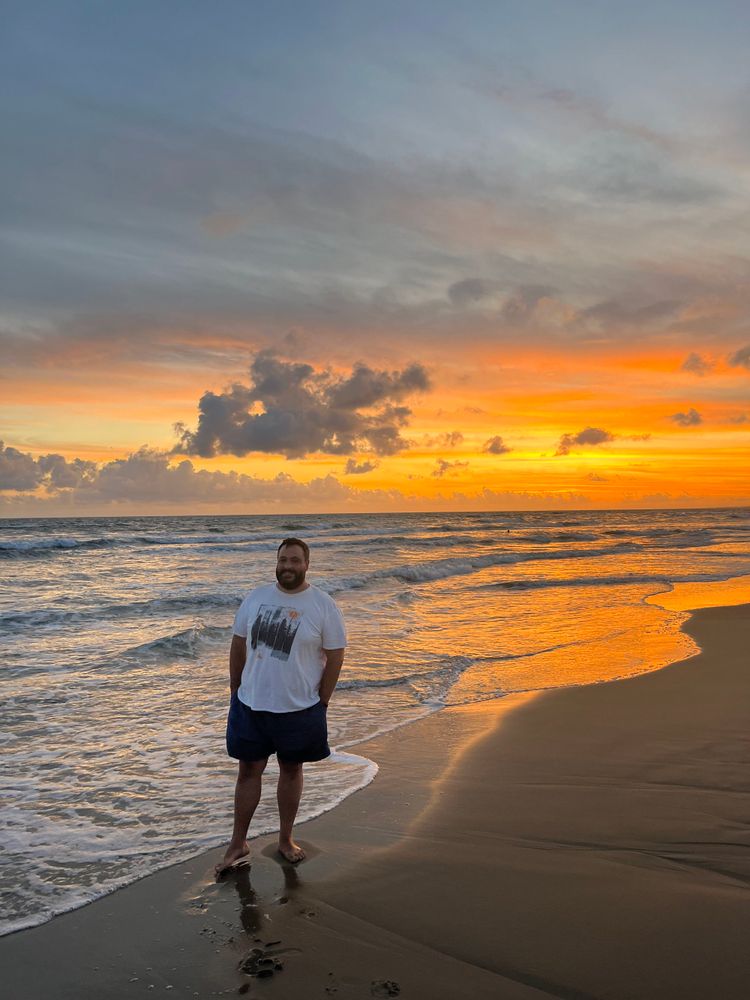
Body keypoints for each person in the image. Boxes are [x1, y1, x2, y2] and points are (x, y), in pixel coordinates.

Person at [214, 537, 346, 875]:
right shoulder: (256, 597)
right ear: (276, 562)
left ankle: (286, 839)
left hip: (299, 708)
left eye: (294, 560)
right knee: (247, 771)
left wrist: (323, 700)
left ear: (306, 565)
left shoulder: (323, 605)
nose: (288, 566)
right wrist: (235, 688)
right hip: (251, 704)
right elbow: (238, 644)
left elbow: (335, 655)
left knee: (291, 769)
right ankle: (238, 843)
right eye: (283, 560)